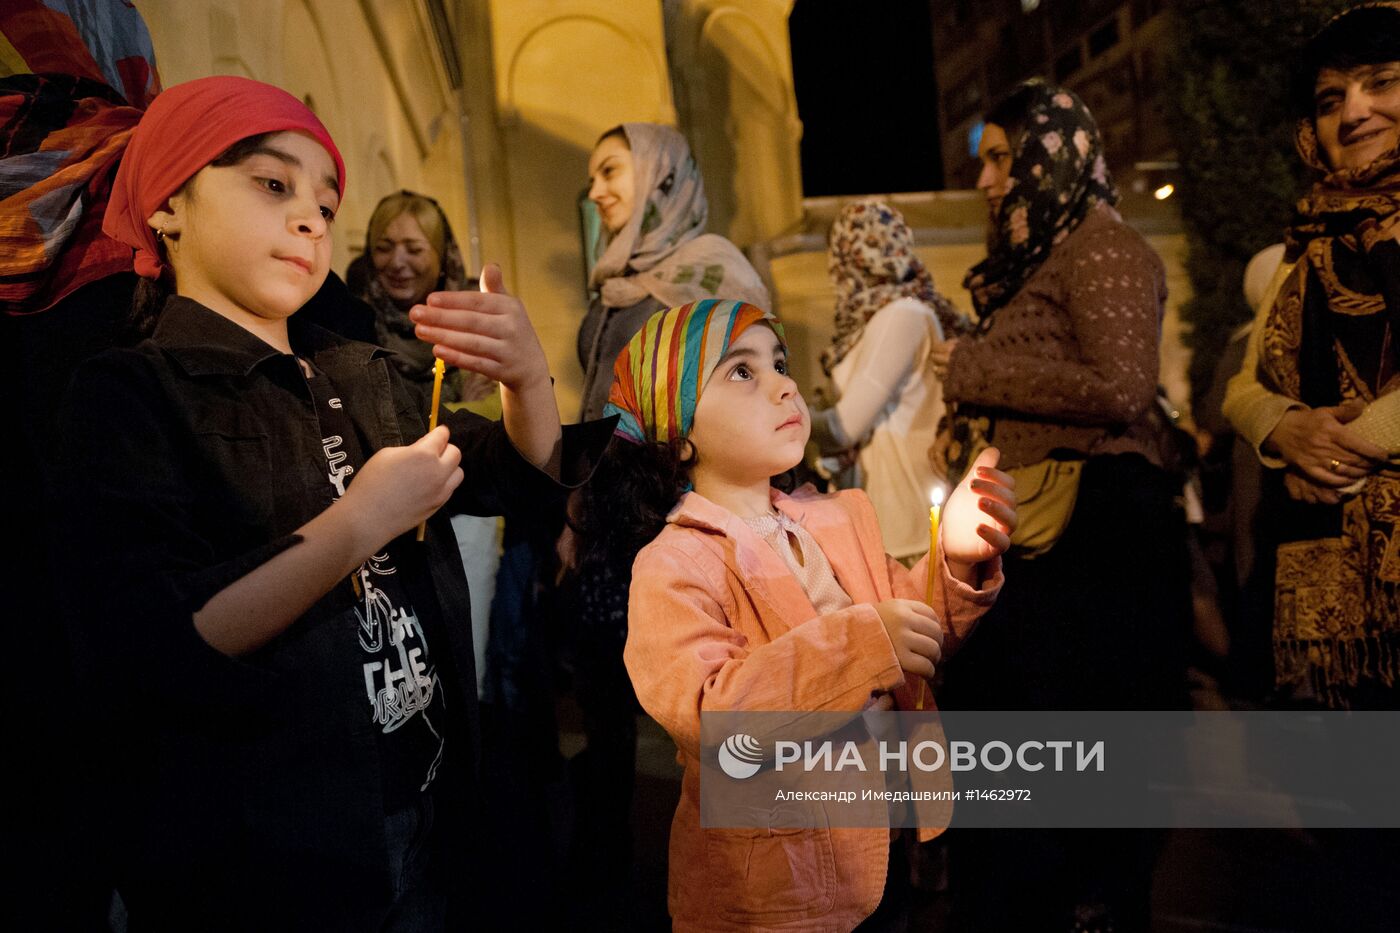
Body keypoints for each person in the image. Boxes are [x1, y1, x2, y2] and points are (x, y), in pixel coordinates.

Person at [55, 75, 610, 931]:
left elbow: (517, 474)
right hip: (269, 853)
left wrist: (527, 378)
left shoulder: (359, 372)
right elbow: (159, 641)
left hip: (423, 804)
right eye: (272, 185)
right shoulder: (133, 394)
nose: (311, 218)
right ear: (169, 204)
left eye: (325, 199)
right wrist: (359, 522)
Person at [586, 298, 1011, 931]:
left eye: (780, 364)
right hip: (776, 890)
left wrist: (953, 561)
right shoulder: (677, 563)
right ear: (678, 435)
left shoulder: (839, 520)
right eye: (742, 372)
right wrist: (863, 646)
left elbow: (918, 633)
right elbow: (713, 717)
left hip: (878, 849)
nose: (784, 384)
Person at [931, 80, 1190, 933]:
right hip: (1043, 545)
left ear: (1054, 155)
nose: (989, 180)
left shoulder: (1103, 248)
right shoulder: (1040, 260)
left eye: (1004, 157)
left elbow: (1122, 388)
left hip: (1095, 542)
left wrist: (972, 372)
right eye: (987, 161)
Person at [1223, 3, 1400, 709]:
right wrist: (1285, 430)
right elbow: (1243, 387)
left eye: (1381, 83)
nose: (1353, 111)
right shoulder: (1309, 240)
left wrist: (1332, 453)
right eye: (1331, 99)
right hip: (1342, 582)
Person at [810, 197, 970, 562]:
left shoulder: (902, 315)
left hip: (906, 525)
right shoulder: (868, 321)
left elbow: (844, 426)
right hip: (880, 518)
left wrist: (782, 415)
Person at [577, 122, 769, 421]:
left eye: (609, 171)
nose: (595, 192)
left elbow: (754, 396)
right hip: (607, 466)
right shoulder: (618, 280)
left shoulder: (712, 270)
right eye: (592, 180)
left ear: (661, 173)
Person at [348, 190, 493, 406]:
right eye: (383, 248)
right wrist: (464, 408)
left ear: (443, 259)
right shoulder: (350, 325)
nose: (397, 263)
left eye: (414, 250)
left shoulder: (477, 320)